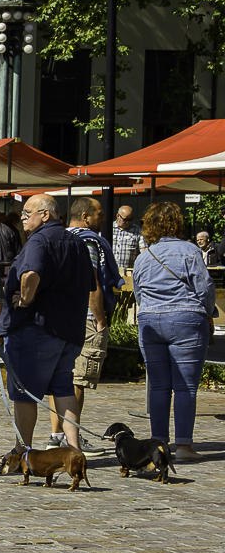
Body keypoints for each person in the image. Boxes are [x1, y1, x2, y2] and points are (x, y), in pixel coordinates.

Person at [1, 194, 97, 455]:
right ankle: (73, 449)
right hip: (69, 329)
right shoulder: (78, 242)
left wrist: (25, 298)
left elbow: (31, 273)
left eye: (27, 212)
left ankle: (23, 450)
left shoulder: (40, 239)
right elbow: (91, 284)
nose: (22, 217)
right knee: (63, 388)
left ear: (45, 214)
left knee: (24, 392)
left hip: (37, 328)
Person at [132, 201, 216, 463]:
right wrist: (209, 314)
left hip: (150, 320)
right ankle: (184, 446)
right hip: (186, 318)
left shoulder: (144, 256)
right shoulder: (190, 251)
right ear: (177, 223)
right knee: (185, 387)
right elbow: (204, 288)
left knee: (157, 387)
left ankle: (159, 443)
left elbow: (138, 292)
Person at [63, 197, 121, 444]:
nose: (103, 218)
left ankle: (58, 435)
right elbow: (92, 282)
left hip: (61, 316)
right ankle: (71, 436)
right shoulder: (87, 240)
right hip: (84, 317)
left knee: (63, 379)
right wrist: (99, 320)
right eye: (99, 213)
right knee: (78, 380)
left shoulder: (59, 237)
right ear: (85, 216)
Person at [112, 204, 141, 276]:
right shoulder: (108, 228)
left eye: (130, 220)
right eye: (125, 220)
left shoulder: (137, 231)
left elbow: (144, 250)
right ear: (118, 216)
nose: (127, 222)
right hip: (110, 272)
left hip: (128, 273)